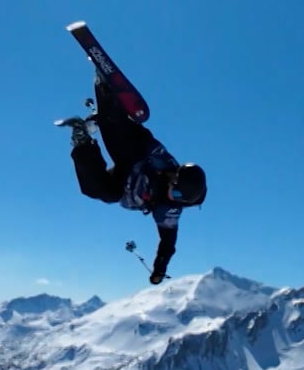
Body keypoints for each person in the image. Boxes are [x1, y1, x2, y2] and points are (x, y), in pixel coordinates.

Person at [61, 79, 207, 284]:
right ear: (175, 177)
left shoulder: (169, 209)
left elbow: (168, 244)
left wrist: (158, 271)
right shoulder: (163, 162)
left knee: (98, 190)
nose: (172, 197)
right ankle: (105, 87)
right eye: (175, 192)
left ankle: (82, 140)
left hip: (125, 186)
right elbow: (138, 138)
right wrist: (116, 118)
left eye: (176, 197)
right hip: (133, 160)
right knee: (121, 141)